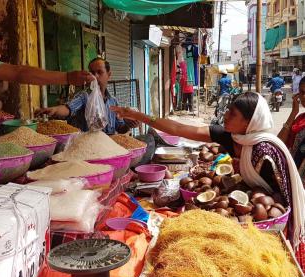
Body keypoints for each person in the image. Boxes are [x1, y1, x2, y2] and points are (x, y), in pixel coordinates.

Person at [111, 92, 305, 265]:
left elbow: (282, 198)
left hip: (273, 221)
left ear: (249, 122)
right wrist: (138, 116)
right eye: (227, 110)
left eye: (233, 114)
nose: (226, 116)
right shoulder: (233, 137)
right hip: (251, 211)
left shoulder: (265, 150)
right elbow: (178, 128)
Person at [35, 58, 138, 134]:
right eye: (92, 73)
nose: (95, 76)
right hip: (86, 149)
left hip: (107, 149)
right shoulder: (84, 96)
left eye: (100, 72)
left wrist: (128, 125)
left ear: (109, 75)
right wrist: (55, 110)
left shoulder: (113, 102)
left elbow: (120, 128)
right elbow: (68, 108)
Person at [278, 76, 305, 171]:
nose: (304, 96)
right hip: (294, 176)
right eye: (302, 92)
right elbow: (279, 144)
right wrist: (293, 113)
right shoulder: (300, 119)